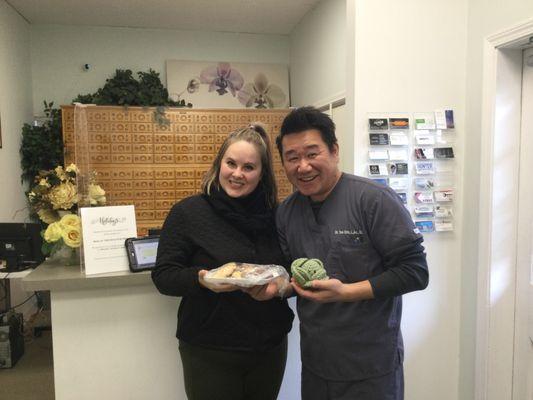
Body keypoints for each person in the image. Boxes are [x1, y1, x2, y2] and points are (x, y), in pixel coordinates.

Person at [258, 106, 429, 400]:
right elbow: (293, 275)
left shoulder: (373, 200)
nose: (303, 166)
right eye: (292, 157)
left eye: (312, 154)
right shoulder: (286, 212)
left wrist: (346, 292)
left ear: (334, 151)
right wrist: (276, 289)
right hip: (317, 364)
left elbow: (415, 272)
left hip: (371, 366)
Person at [152, 124, 294, 400]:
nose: (237, 174)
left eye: (249, 167)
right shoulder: (188, 213)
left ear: (262, 174)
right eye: (231, 163)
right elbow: (164, 276)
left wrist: (279, 287)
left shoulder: (277, 215)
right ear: (219, 164)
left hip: (269, 346)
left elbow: (288, 270)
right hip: (209, 348)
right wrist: (203, 280)